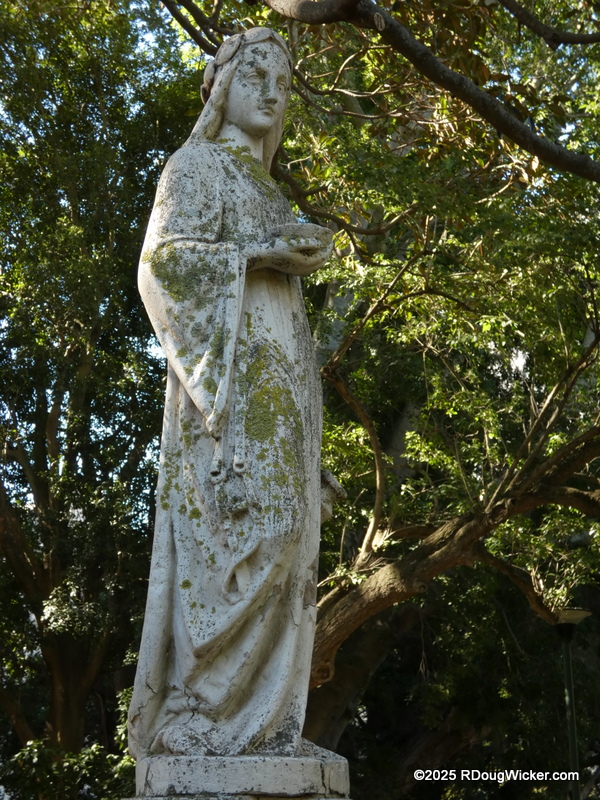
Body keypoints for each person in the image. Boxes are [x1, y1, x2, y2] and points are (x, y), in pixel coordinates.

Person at [127, 27, 333, 760]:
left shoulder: (269, 188)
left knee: (293, 539)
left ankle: (265, 726)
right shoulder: (195, 166)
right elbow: (161, 267)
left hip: (284, 384)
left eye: (282, 83)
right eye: (255, 77)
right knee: (251, 534)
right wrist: (259, 253)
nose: (271, 93)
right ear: (220, 88)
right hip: (228, 386)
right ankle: (201, 713)